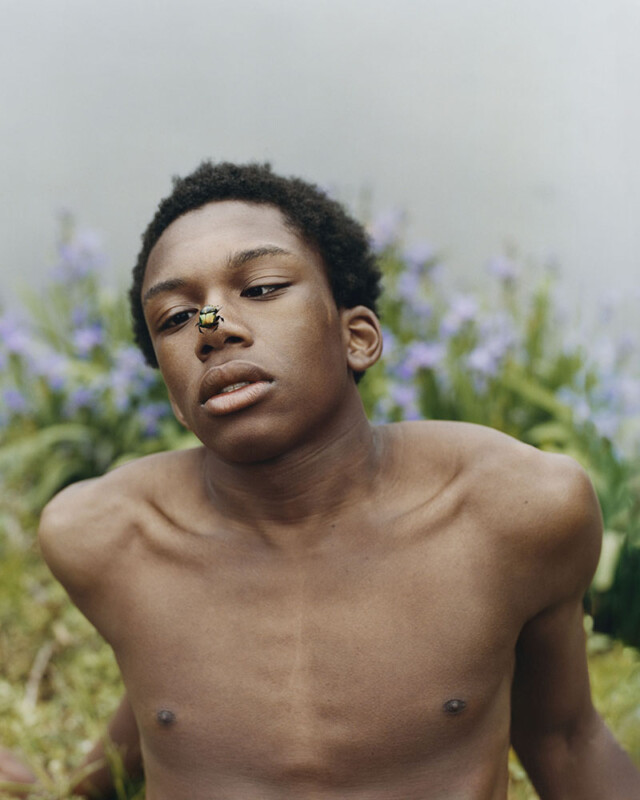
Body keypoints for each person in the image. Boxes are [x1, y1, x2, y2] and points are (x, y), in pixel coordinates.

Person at [1, 161, 639, 799]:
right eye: (175, 318)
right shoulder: (104, 536)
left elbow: (566, 739)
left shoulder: (512, 511)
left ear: (356, 337)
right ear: (173, 395)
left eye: (262, 287)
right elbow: (170, 702)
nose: (213, 329)